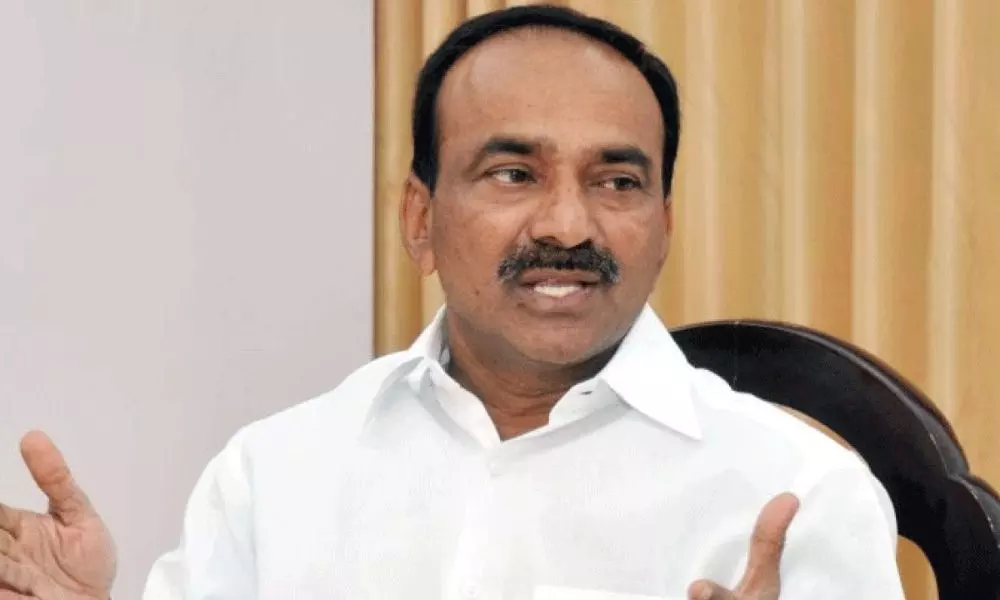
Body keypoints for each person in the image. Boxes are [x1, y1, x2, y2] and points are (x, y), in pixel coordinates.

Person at [0, 5, 904, 600]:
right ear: (420, 219)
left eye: (617, 181)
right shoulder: (273, 475)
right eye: (514, 173)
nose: (567, 223)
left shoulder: (800, 496)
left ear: (664, 225)